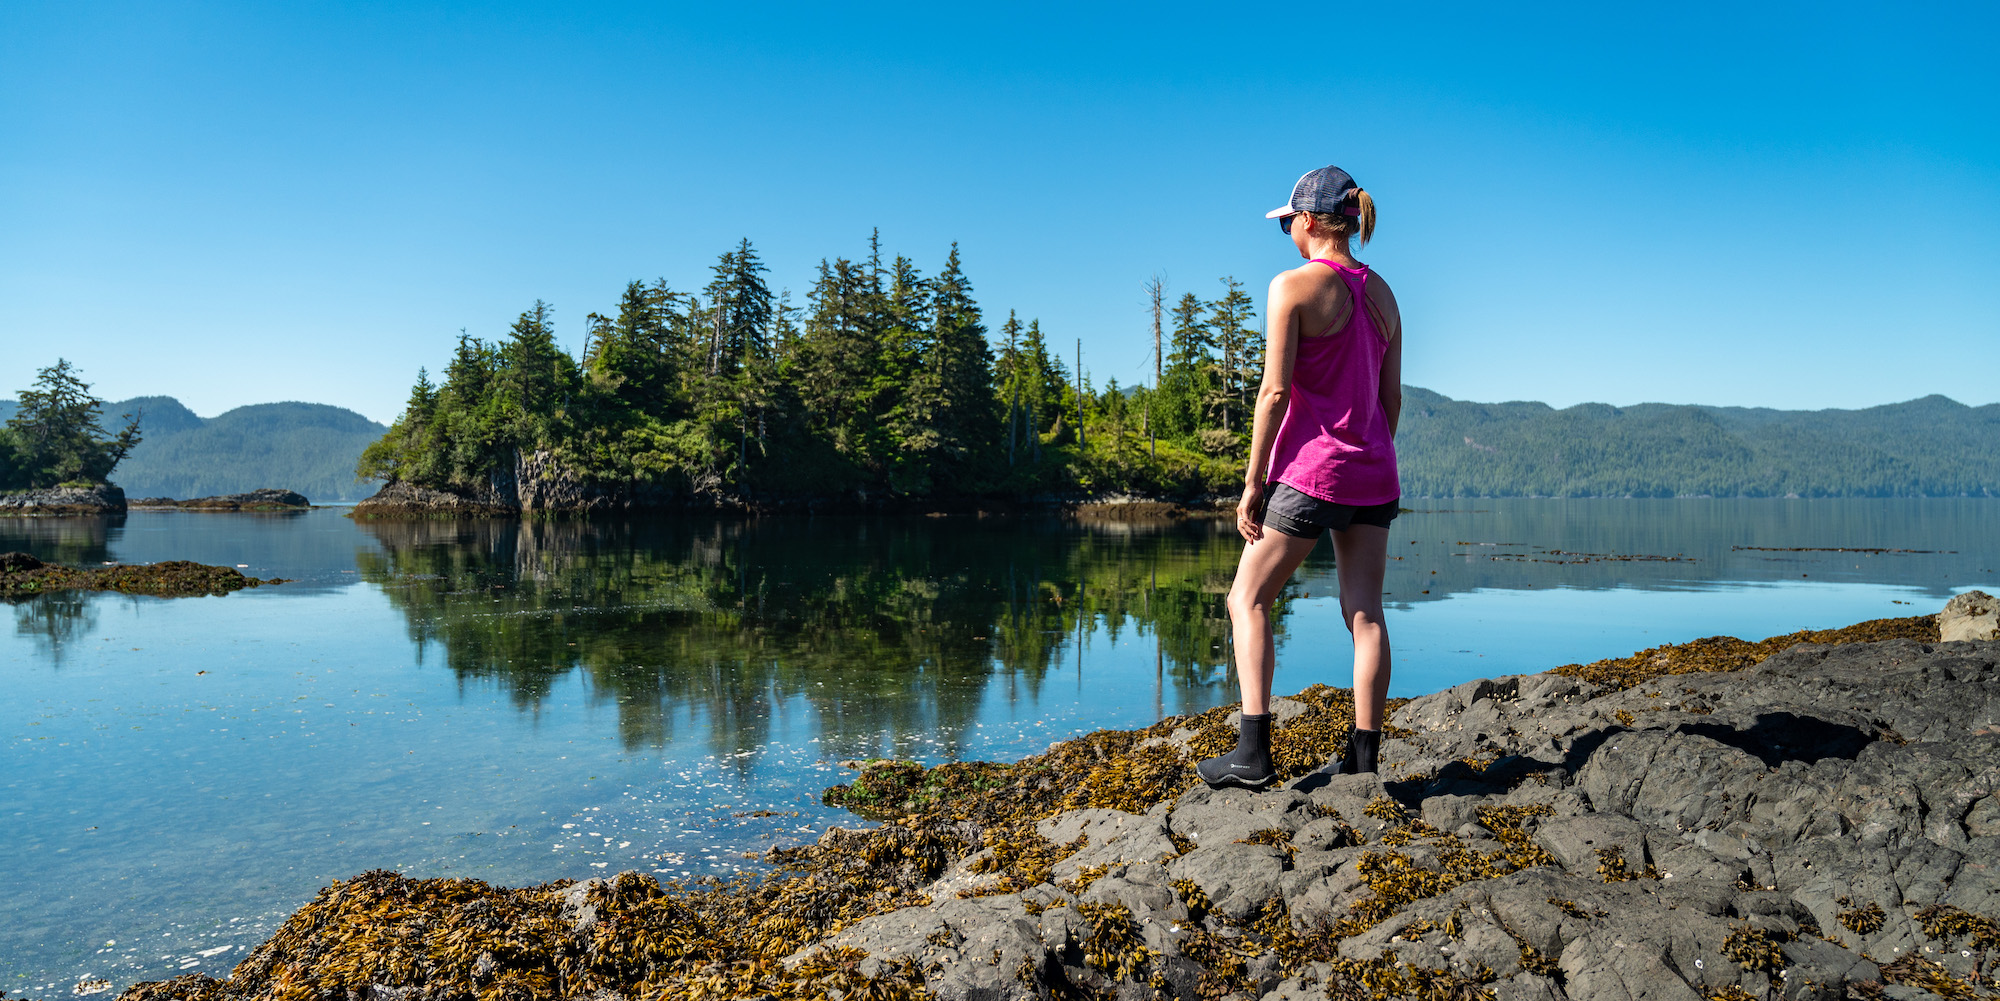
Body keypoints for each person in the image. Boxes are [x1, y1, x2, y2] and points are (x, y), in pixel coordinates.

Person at [1196, 165, 1402, 789]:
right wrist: (1368, 456)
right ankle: (1365, 758)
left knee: (1247, 599)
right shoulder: (1386, 296)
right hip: (1374, 474)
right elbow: (1391, 400)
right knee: (1366, 614)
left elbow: (1275, 393)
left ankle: (1253, 754)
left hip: (1311, 474)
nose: (1286, 231)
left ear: (1309, 222)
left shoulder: (1292, 287)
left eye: (1288, 221)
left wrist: (1253, 481)